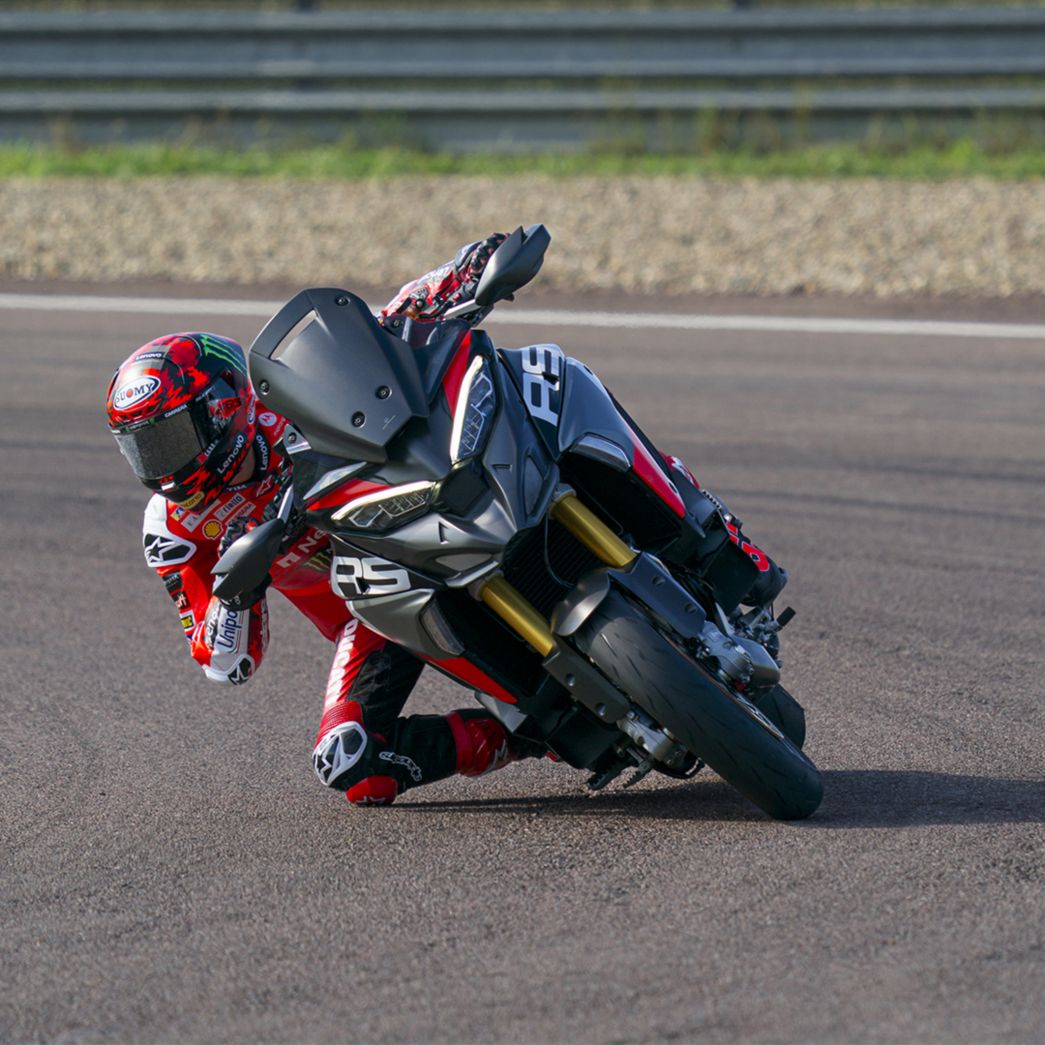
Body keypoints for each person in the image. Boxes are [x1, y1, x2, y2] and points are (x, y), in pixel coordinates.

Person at [106, 233, 785, 807]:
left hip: (437, 491)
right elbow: (228, 663)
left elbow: (385, 326)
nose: (164, 462)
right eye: (143, 447)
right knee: (351, 764)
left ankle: (716, 539)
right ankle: (533, 731)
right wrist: (234, 590)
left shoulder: (285, 394)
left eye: (171, 436)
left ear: (221, 406)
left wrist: (473, 268)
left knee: (552, 377)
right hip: (370, 599)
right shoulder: (173, 528)